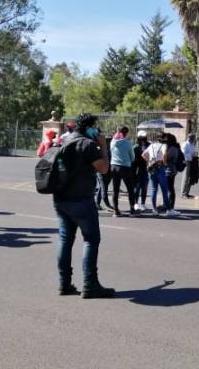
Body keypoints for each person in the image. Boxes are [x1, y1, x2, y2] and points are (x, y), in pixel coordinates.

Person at [53, 112, 115, 298]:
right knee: (91, 240)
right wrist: (103, 146)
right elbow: (104, 169)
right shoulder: (87, 145)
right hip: (81, 199)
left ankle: (64, 283)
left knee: (65, 239)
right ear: (90, 127)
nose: (97, 131)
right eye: (95, 128)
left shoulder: (64, 140)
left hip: (60, 198)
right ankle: (90, 284)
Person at [109, 126, 138, 217]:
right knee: (130, 188)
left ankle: (116, 210)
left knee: (115, 189)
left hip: (114, 166)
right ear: (126, 133)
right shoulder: (127, 143)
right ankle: (132, 209)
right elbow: (132, 157)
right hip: (125, 167)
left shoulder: (112, 142)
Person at [142, 132, 172, 216]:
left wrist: (149, 161)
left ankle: (154, 209)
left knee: (154, 189)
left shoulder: (151, 145)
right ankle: (169, 210)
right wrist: (165, 163)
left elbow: (143, 154)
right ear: (164, 138)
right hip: (160, 168)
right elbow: (165, 153)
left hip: (151, 168)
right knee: (164, 189)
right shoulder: (163, 145)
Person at [164, 133, 182, 215]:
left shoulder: (173, 148)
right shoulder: (169, 147)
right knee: (168, 188)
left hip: (170, 170)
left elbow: (168, 158)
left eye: (166, 139)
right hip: (168, 169)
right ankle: (167, 205)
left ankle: (170, 207)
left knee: (170, 188)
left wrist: (164, 154)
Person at [132, 131, 150, 211]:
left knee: (144, 187)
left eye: (144, 137)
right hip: (138, 169)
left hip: (146, 168)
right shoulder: (135, 147)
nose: (143, 139)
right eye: (142, 137)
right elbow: (133, 159)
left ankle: (143, 203)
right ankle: (135, 203)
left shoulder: (149, 145)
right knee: (137, 187)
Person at [181, 133, 199, 199]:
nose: (193, 139)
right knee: (186, 178)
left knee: (191, 178)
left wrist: (195, 154)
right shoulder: (185, 144)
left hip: (192, 162)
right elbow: (183, 154)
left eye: (193, 138)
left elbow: (192, 152)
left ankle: (187, 193)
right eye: (192, 138)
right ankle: (183, 193)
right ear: (189, 138)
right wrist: (191, 155)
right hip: (187, 162)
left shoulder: (192, 144)